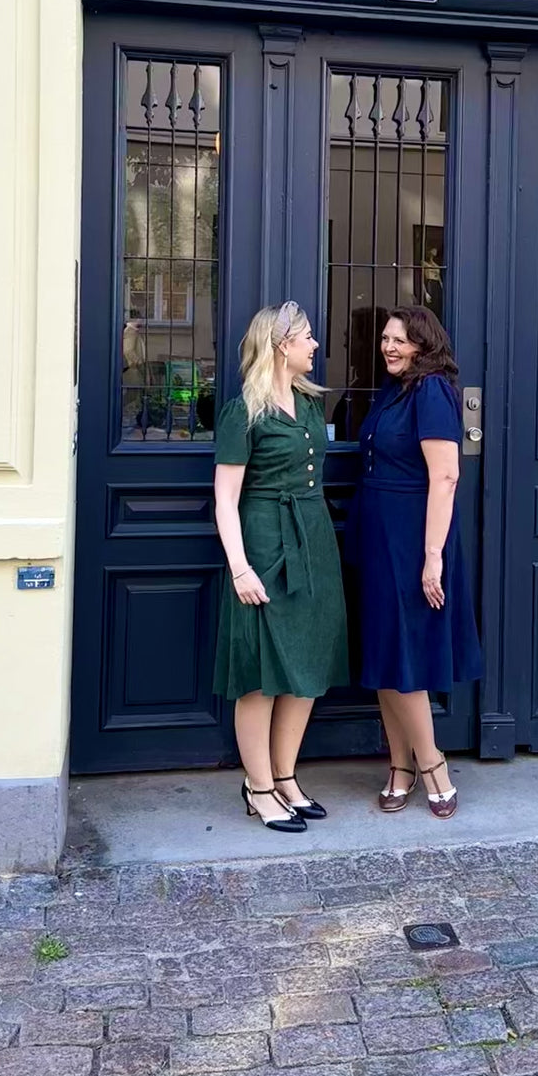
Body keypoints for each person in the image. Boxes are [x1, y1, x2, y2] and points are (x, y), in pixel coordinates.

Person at [214, 302, 348, 833]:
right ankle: (259, 785)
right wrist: (240, 568)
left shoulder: (310, 405)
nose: (315, 345)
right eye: (307, 337)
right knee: (261, 672)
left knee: (307, 664)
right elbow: (226, 499)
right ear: (280, 344)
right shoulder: (243, 412)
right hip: (264, 542)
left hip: (313, 539)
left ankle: (286, 777)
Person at [346, 305, 482, 819]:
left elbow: (445, 477)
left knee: (406, 659)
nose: (389, 347)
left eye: (399, 340)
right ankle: (399, 765)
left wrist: (432, 557)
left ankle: (432, 765)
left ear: (424, 345)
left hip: (412, 540)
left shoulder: (432, 392)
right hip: (377, 537)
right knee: (386, 653)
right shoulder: (394, 390)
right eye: (385, 339)